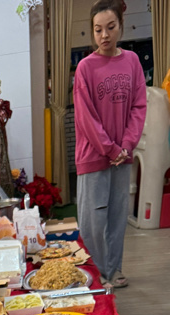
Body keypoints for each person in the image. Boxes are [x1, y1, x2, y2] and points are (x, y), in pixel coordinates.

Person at [73, 0, 147, 287]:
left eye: (110, 27)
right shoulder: (85, 68)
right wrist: (111, 149)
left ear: (120, 26)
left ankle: (113, 271)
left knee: (117, 218)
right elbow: (86, 117)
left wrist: (126, 146)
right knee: (92, 222)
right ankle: (97, 275)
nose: (104, 35)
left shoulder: (132, 61)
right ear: (92, 31)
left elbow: (138, 106)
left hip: (122, 156)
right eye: (98, 29)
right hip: (94, 155)